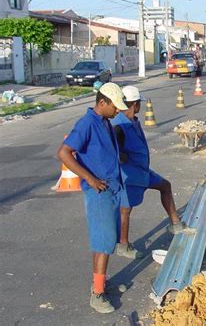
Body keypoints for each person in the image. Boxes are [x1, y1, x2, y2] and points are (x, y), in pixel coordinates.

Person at [57, 83, 128, 314]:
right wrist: (91, 179)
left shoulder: (105, 122)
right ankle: (97, 294)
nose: (118, 111)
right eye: (114, 107)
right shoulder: (87, 123)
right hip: (98, 191)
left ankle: (100, 282)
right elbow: (64, 153)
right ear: (102, 103)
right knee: (104, 242)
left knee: (104, 241)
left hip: (110, 188)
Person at [111, 86, 194, 259]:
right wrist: (120, 156)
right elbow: (112, 149)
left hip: (141, 170)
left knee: (165, 185)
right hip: (129, 175)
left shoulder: (133, 120)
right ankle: (123, 245)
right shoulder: (119, 125)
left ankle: (175, 224)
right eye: (138, 103)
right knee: (125, 210)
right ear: (134, 104)